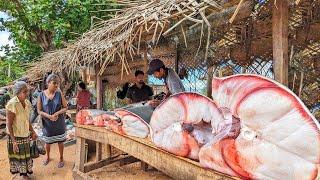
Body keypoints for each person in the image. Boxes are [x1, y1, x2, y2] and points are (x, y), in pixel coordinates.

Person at [6, 81, 37, 179]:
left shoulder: (27, 102)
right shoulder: (12, 104)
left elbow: (27, 120)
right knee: (19, 157)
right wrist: (14, 142)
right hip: (15, 137)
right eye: (24, 92)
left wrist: (32, 131)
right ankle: (23, 175)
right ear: (18, 92)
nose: (27, 94)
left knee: (26, 156)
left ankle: (25, 173)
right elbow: (9, 124)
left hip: (25, 134)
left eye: (27, 91)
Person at [37, 74, 68, 168]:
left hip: (59, 123)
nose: (56, 85)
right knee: (47, 142)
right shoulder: (41, 95)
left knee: (60, 141)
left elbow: (66, 107)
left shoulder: (59, 93)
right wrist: (49, 116)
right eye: (54, 83)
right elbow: (39, 110)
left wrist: (57, 113)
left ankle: (61, 158)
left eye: (57, 84)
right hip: (47, 124)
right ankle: (48, 157)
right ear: (48, 83)